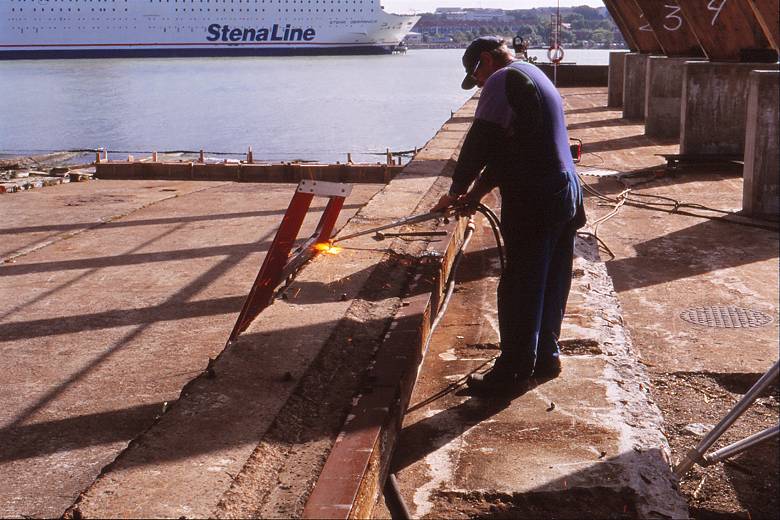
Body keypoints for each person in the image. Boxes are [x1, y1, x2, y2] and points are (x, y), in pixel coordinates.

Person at [431, 36, 585, 394]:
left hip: (536, 196)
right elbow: (506, 152)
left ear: (486, 60)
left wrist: (454, 192)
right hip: (565, 192)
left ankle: (512, 370)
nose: (480, 84)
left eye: (477, 75)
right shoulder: (532, 72)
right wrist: (475, 195)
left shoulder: (502, 80)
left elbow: (480, 143)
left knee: (520, 284)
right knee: (551, 278)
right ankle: (546, 355)